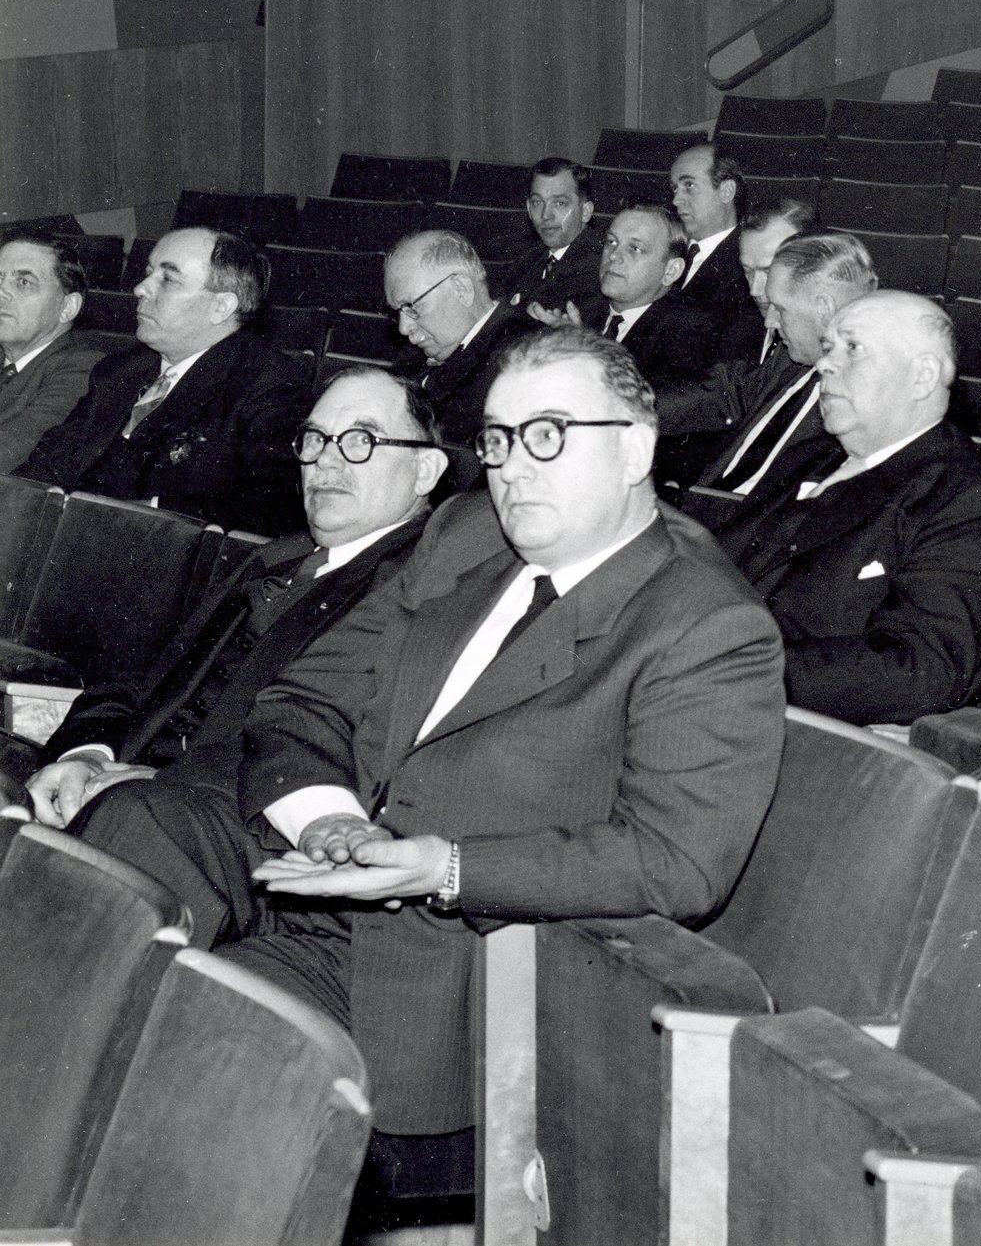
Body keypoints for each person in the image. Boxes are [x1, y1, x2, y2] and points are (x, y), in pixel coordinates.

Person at [116, 325, 787, 1144]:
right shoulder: (468, 531)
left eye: (548, 434)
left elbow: (675, 861)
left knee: (175, 1039)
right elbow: (305, 695)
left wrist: (444, 866)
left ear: (636, 448)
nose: (512, 465)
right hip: (322, 855)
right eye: (499, 438)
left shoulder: (705, 623)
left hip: (436, 949)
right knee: (120, 843)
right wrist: (327, 818)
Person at [28, 367, 445, 826]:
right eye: (316, 438)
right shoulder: (275, 557)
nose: (326, 460)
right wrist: (86, 755)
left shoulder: (420, 592)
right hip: (120, 793)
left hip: (216, 824)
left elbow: (334, 755)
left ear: (424, 470)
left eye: (361, 440)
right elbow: (139, 678)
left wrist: (162, 785)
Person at [714, 290, 981, 726]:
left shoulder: (967, 502)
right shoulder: (809, 460)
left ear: (921, 376)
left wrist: (725, 673)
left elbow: (919, 669)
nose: (825, 364)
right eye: (827, 347)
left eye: (853, 348)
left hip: (792, 732)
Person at [18, 227, 307, 536]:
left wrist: (146, 513)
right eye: (147, 273)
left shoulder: (270, 386)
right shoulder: (120, 370)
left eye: (168, 279)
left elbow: (275, 510)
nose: (140, 288)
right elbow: (47, 464)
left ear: (221, 307)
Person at [657, 231, 876, 501]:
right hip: (707, 504)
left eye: (780, 309)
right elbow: (728, 392)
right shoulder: (792, 356)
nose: (769, 322)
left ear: (824, 308)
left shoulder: (864, 402)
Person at [0, 233, 109, 472]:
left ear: (67, 307)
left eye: (24, 283)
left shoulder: (85, 368)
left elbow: (11, 451)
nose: (1, 293)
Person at [586, 205, 716, 386]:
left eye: (635, 248)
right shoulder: (581, 310)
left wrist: (584, 353)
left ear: (671, 271)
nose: (614, 256)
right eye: (611, 242)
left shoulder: (688, 337)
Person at [499, 158, 605, 316]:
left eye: (560, 203)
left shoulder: (600, 269)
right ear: (528, 208)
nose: (545, 215)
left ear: (585, 212)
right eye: (537, 202)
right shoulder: (526, 261)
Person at [669, 142, 754, 318]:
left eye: (689, 185)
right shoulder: (666, 249)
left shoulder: (747, 268)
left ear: (727, 191)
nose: (676, 200)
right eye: (675, 188)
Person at [728, 197, 817, 365]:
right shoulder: (734, 328)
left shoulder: (819, 349)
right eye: (747, 271)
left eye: (768, 271)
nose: (754, 290)